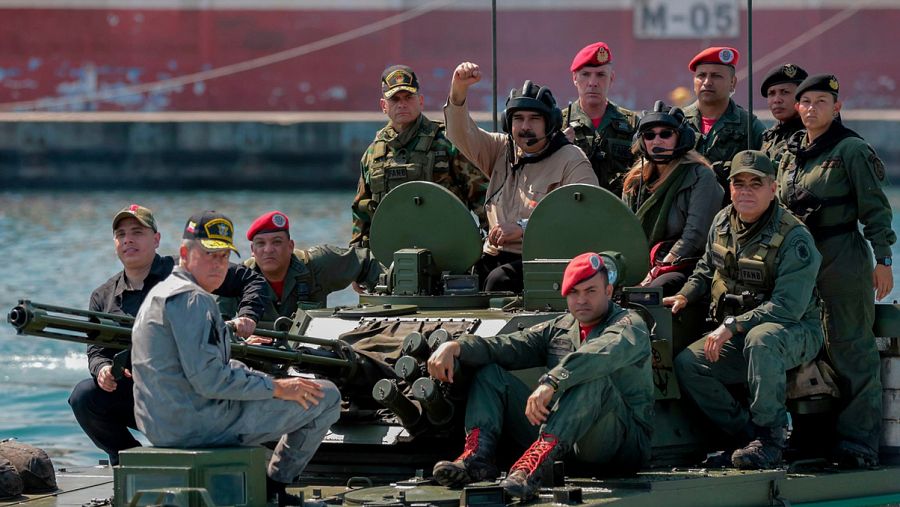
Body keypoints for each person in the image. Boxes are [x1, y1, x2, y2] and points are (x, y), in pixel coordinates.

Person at [131, 211, 341, 505]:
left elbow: (203, 366)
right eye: (208, 255)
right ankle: (275, 488)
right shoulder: (194, 299)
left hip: (161, 424)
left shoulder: (161, 293)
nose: (218, 265)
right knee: (326, 396)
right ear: (184, 254)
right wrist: (278, 387)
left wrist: (256, 378)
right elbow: (211, 380)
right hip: (197, 425)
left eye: (223, 256)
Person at [427, 252, 652, 499]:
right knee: (491, 374)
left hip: (617, 446)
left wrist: (552, 381)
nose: (581, 300)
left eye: (591, 291)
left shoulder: (630, 325)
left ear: (608, 292)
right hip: (563, 442)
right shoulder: (561, 328)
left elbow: (600, 354)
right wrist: (456, 346)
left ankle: (534, 467)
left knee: (592, 379)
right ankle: (477, 459)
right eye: (574, 292)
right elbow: (508, 346)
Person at [68, 204, 269, 466]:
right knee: (85, 396)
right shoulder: (103, 296)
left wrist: (248, 316)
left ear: (156, 239)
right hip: (147, 396)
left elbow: (251, 280)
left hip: (198, 390)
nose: (128, 239)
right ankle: (131, 462)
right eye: (121, 234)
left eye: (137, 232)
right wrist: (103, 369)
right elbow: (95, 350)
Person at [667, 151, 823, 469]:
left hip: (795, 331)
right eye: (739, 184)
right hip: (742, 329)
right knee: (689, 364)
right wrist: (684, 295)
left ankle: (771, 438)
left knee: (761, 340)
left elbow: (787, 308)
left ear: (773, 189)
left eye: (756, 183)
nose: (746, 191)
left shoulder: (794, 239)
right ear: (730, 187)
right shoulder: (723, 221)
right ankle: (746, 435)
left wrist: (732, 326)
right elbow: (707, 267)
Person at [778, 74, 896, 467]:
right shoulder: (792, 153)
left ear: (837, 107)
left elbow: (875, 209)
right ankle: (815, 436)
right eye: (806, 102)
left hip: (842, 257)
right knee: (809, 350)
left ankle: (859, 442)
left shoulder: (850, 150)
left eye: (821, 102)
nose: (812, 109)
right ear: (798, 108)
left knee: (851, 349)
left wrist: (883, 260)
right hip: (799, 263)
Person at [444, 61, 598, 292]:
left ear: (550, 123)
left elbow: (584, 218)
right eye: (518, 118)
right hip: (493, 254)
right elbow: (461, 134)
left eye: (534, 118)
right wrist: (459, 89)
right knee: (452, 279)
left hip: (543, 260)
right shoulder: (501, 150)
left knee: (498, 281)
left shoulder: (571, 159)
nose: (525, 126)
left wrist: (524, 229)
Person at [351, 64, 488, 247]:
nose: (402, 104)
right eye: (395, 99)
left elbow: (481, 197)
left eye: (408, 97)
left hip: (446, 250)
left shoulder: (447, 142)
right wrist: (360, 258)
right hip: (391, 253)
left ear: (420, 101)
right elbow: (362, 212)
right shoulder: (373, 155)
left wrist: (492, 244)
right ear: (384, 105)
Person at [621, 101, 723, 296]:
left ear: (681, 138)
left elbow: (694, 236)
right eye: (649, 135)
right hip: (642, 263)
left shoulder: (701, 175)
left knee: (652, 292)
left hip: (685, 266)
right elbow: (626, 231)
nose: (656, 141)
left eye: (666, 134)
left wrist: (658, 269)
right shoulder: (635, 181)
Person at [219, 210, 385, 325]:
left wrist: (381, 300)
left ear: (290, 246)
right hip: (260, 357)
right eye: (260, 244)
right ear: (252, 251)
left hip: (312, 354)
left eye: (277, 242)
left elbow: (366, 261)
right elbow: (217, 323)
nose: (268, 250)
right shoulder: (238, 279)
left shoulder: (317, 264)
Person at [683, 47, 766, 195]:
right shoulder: (678, 122)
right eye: (701, 75)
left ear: (733, 82)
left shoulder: (749, 126)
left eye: (716, 76)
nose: (707, 82)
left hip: (730, 211)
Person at [561, 41, 639, 194]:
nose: (593, 83)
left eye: (601, 75)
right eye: (585, 74)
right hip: (573, 209)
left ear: (611, 78)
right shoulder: (559, 124)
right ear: (574, 78)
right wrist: (558, 149)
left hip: (617, 211)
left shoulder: (631, 123)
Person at [759, 63, 809, 167]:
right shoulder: (769, 137)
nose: (777, 100)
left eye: (785, 92)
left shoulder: (813, 135)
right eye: (771, 94)